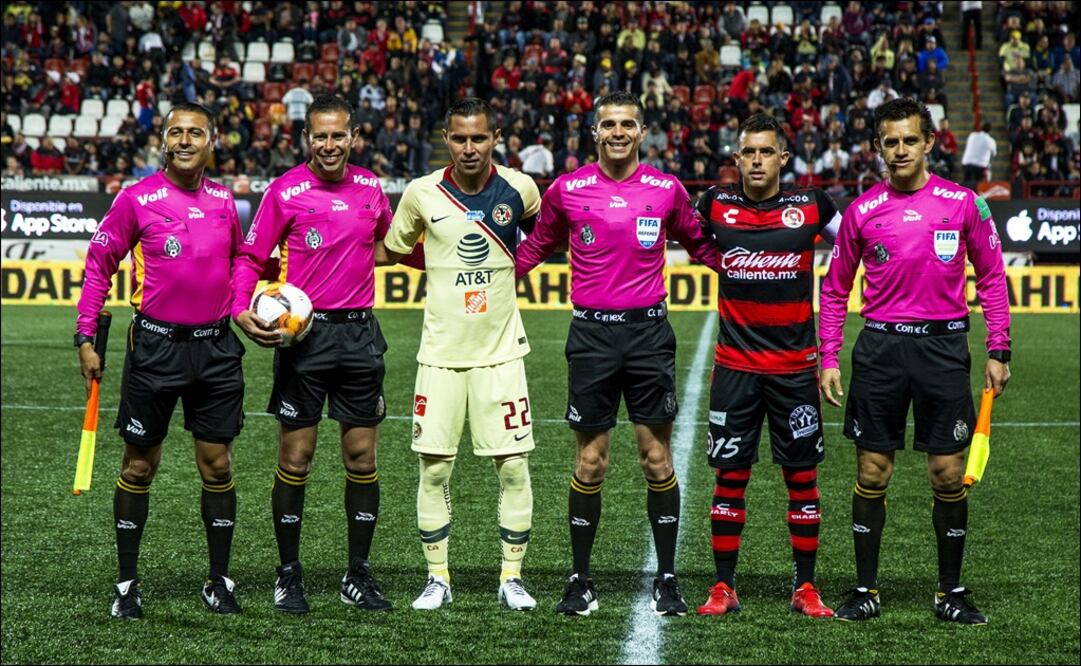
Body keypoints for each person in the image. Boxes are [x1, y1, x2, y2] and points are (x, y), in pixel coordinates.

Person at [515, 91, 720, 617]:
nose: (618, 132)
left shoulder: (666, 190)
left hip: (649, 337)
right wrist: (486, 286)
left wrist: (758, 272)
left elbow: (703, 247)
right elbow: (535, 247)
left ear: (643, 130)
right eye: (609, 124)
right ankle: (580, 579)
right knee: (590, 461)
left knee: (656, 459)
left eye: (627, 123)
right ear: (595, 132)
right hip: (591, 337)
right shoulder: (567, 189)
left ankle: (668, 578)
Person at [819, 98, 1011, 624]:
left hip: (944, 349)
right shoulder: (862, 211)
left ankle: (951, 592)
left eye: (909, 140)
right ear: (878, 148)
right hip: (880, 350)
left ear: (929, 142)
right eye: (890, 142)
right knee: (872, 470)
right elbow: (834, 289)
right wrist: (828, 356)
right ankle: (864, 589)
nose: (899, 150)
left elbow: (992, 276)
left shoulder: (963, 203)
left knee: (948, 475)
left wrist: (999, 348)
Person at [232, 94, 413, 614]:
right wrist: (243, 307)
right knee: (296, 457)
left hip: (359, 338)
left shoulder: (370, 188)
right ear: (306, 138)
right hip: (303, 339)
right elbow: (251, 256)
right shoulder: (285, 191)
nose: (330, 144)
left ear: (354, 136)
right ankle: (288, 574)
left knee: (362, 458)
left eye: (339, 135)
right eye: (320, 136)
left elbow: (389, 247)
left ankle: (357, 574)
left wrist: (452, 246)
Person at [76, 103, 246, 618]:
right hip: (154, 349)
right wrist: (86, 335)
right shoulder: (136, 199)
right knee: (139, 465)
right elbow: (99, 262)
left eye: (196, 132)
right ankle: (127, 584)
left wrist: (246, 307)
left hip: (216, 350)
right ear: (164, 141)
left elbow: (242, 261)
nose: (186, 140)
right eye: (177, 132)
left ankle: (219, 581)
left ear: (212, 139)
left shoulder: (224, 200)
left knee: (217, 467)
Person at [376, 98, 540, 611]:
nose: (469, 148)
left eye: (479, 138)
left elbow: (545, 233)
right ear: (446, 139)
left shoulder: (521, 189)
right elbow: (393, 249)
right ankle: (438, 577)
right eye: (459, 138)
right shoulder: (422, 194)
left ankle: (511, 577)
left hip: (502, 355)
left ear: (496, 138)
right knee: (434, 470)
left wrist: (518, 262)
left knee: (514, 468)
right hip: (440, 355)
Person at [693, 113, 841, 618]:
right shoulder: (713, 203)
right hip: (734, 368)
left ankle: (805, 587)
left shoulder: (813, 206)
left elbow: (860, 242)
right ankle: (723, 586)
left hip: (795, 370)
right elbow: (677, 234)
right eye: (748, 152)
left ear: (784, 158)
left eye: (766, 152)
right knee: (729, 478)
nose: (757, 160)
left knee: (802, 480)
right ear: (737, 159)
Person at [961, 121, 996, 186]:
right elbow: (994, 154)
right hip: (980, 166)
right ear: (990, 131)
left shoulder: (972, 135)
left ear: (981, 128)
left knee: (966, 182)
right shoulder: (991, 140)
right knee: (978, 183)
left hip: (966, 163)